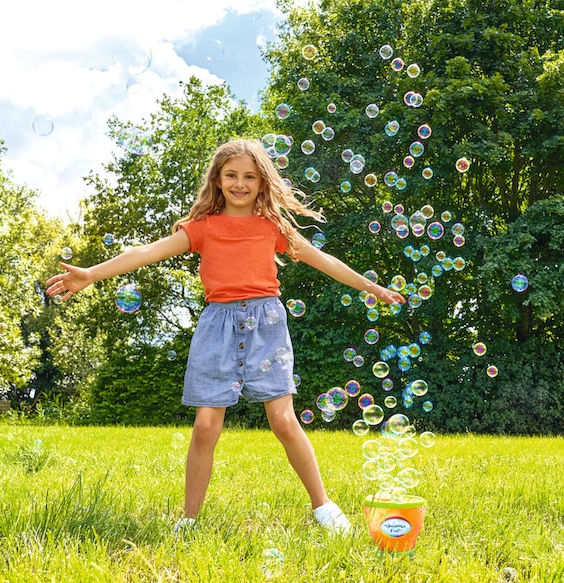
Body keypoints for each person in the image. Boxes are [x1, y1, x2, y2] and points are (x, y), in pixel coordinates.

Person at [45, 137, 406, 536]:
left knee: (285, 421)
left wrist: (371, 288)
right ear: (217, 180)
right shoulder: (202, 228)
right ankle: (189, 520)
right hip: (217, 326)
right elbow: (146, 252)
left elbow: (323, 260)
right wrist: (92, 273)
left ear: (262, 182)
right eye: (231, 175)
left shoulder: (273, 227)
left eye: (250, 176)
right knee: (205, 427)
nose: (240, 183)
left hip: (266, 324)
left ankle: (323, 508)